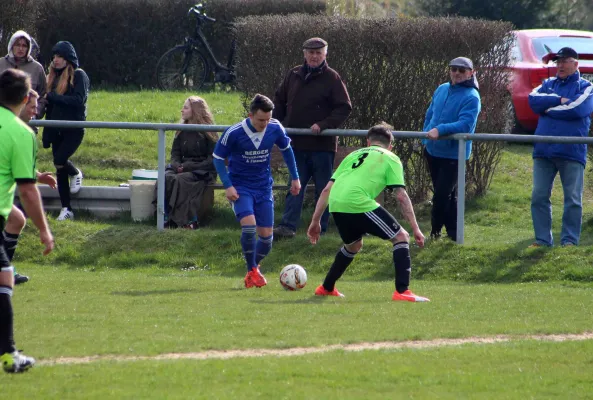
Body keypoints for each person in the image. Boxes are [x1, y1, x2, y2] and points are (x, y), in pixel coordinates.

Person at [307, 124, 429, 302]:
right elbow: (401, 195)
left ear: (368, 141)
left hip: (336, 203)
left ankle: (326, 287)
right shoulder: (391, 157)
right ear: (390, 145)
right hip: (358, 202)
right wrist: (416, 228)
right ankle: (402, 292)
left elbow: (326, 189)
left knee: (353, 246)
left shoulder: (352, 155)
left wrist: (315, 221)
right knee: (401, 237)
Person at [213, 94, 300, 288]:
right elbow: (218, 158)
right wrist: (227, 185)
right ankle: (253, 270)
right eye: (261, 120)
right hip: (241, 187)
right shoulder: (234, 133)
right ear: (250, 115)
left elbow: (287, 150)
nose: (265, 124)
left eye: (268, 119)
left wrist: (295, 177)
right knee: (249, 226)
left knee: (267, 239)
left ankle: (251, 271)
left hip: (263, 187)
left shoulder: (275, 127)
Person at [0, 69, 54, 373]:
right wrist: (45, 232)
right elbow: (27, 190)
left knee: (4, 275)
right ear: (24, 98)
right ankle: (8, 355)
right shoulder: (21, 133)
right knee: (4, 278)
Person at [273, 37, 352, 239]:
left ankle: (320, 229)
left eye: (318, 53)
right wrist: (277, 126)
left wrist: (323, 125)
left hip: (322, 145)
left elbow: (344, 107)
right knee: (294, 185)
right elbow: (279, 102)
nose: (314, 56)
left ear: (325, 54)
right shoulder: (294, 74)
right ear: (304, 54)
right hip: (296, 143)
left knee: (322, 188)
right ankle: (287, 226)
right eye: (311, 52)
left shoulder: (332, 78)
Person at [528, 47, 593, 247]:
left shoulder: (587, 87)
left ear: (576, 64)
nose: (560, 65)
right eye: (558, 61)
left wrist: (548, 109)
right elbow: (532, 100)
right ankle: (542, 240)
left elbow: (578, 109)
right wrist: (558, 100)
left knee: (572, 199)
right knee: (539, 196)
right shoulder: (547, 84)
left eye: (565, 61)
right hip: (544, 150)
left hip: (571, 151)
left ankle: (569, 241)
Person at [422, 57, 481, 241]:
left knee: (441, 195)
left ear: (471, 73)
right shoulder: (441, 89)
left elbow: (465, 125)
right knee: (448, 195)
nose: (456, 73)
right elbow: (430, 113)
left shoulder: (472, 96)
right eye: (453, 69)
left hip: (453, 155)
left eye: (462, 70)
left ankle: (434, 232)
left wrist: (440, 130)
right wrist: (426, 135)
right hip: (432, 151)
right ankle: (454, 233)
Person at [3, 90, 56, 285]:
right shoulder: (16, 131)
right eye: (33, 107)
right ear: (22, 103)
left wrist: (39, 175)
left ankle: (6, 268)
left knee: (16, 220)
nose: (35, 112)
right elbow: (26, 189)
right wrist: (44, 229)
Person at [42, 41, 90, 221]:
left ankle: (76, 173)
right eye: (54, 56)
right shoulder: (51, 78)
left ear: (68, 58)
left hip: (73, 129)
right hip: (56, 129)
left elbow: (79, 100)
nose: (56, 60)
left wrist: (54, 97)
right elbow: (47, 106)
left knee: (60, 159)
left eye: (60, 56)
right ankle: (66, 208)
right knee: (58, 167)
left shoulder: (79, 75)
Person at [159, 96, 218, 229]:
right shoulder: (181, 130)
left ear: (195, 110)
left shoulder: (209, 131)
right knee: (166, 177)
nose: (182, 110)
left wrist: (189, 167)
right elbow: (175, 154)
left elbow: (212, 160)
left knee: (182, 180)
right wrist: (176, 165)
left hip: (203, 171)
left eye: (185, 107)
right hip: (182, 168)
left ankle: (189, 220)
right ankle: (166, 216)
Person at [0, 30, 47, 121]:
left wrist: (35, 113)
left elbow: (43, 96)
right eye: (17, 45)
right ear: (11, 46)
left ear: (28, 48)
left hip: (28, 123)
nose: (21, 48)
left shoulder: (37, 68)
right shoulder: (1, 63)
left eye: (24, 46)